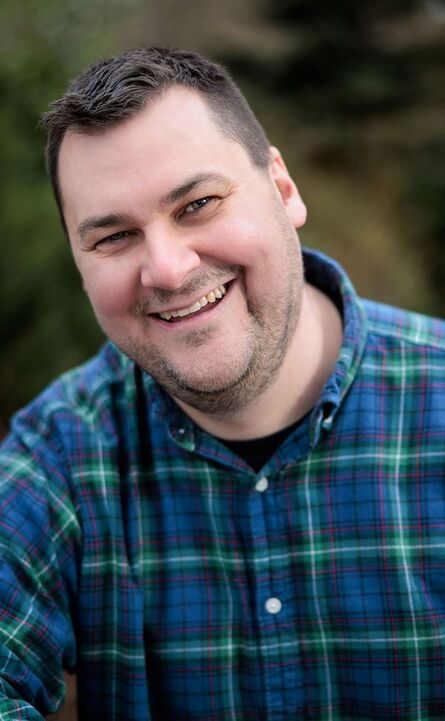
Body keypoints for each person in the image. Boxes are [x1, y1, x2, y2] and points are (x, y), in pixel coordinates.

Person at [1, 46, 445, 721]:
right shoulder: (59, 453)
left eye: (198, 204)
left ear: (283, 190)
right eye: (114, 236)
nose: (168, 269)